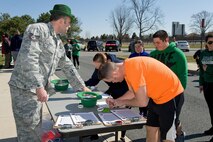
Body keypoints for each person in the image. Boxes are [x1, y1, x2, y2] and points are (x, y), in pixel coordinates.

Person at [8, 4, 90, 142]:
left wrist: (82, 87)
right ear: (62, 21)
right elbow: (29, 58)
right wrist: (39, 87)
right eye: (68, 23)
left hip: (36, 91)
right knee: (29, 134)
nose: (69, 27)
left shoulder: (57, 41)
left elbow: (67, 64)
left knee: (35, 130)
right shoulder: (38, 29)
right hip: (25, 90)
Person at [98, 57, 184, 142]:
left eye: (113, 80)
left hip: (171, 95)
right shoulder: (127, 67)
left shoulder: (133, 70)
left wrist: (122, 102)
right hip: (156, 97)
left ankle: (179, 134)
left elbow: (142, 102)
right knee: (151, 129)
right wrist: (116, 101)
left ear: (115, 73)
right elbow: (132, 92)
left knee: (167, 137)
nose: (114, 82)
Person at [150, 30, 187, 140]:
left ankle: (179, 135)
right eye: (154, 43)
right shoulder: (153, 55)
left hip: (174, 95)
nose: (156, 45)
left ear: (166, 40)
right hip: (157, 95)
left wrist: (174, 94)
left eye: (158, 43)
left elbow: (183, 77)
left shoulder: (178, 54)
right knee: (157, 124)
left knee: (171, 123)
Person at [85, 52, 128, 141]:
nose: (97, 70)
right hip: (113, 89)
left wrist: (120, 100)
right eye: (96, 68)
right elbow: (93, 80)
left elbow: (130, 87)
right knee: (100, 107)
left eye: (99, 67)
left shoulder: (119, 66)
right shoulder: (100, 66)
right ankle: (95, 132)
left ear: (106, 63)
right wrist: (81, 84)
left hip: (125, 91)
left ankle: (122, 135)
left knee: (123, 113)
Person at [129, 40, 149, 118]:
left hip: (145, 80)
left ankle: (145, 112)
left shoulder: (147, 56)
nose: (137, 48)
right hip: (135, 80)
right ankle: (141, 111)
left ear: (142, 46)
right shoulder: (132, 56)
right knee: (138, 96)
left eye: (139, 46)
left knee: (145, 96)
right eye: (135, 47)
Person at [199, 33, 213, 136]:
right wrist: (201, 83)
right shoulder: (203, 54)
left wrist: (208, 69)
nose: (212, 44)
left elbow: (206, 68)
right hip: (207, 84)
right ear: (206, 43)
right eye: (210, 42)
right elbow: (201, 70)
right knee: (211, 108)